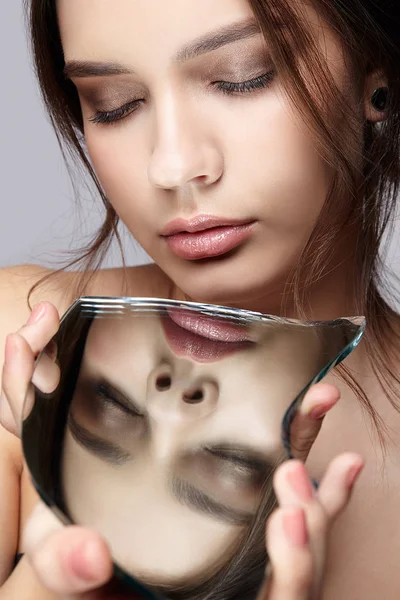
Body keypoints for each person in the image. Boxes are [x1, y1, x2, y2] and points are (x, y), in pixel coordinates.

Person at [0, 0, 398, 597]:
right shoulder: (19, 343)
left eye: (243, 76)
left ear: (375, 71)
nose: (172, 164)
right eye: (114, 105)